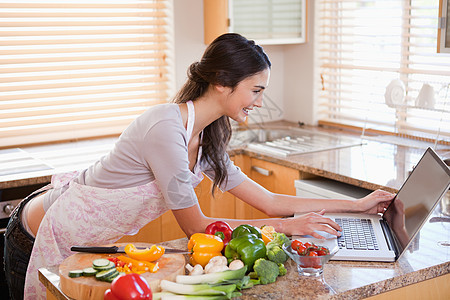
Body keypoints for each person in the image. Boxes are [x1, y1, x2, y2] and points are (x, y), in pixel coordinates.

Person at [4, 33, 395, 300]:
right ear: (224, 83)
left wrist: (358, 206)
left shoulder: (207, 137)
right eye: (255, 90)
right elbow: (197, 228)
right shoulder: (165, 128)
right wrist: (287, 227)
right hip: (38, 233)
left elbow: (271, 202)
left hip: (86, 244)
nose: (259, 102)